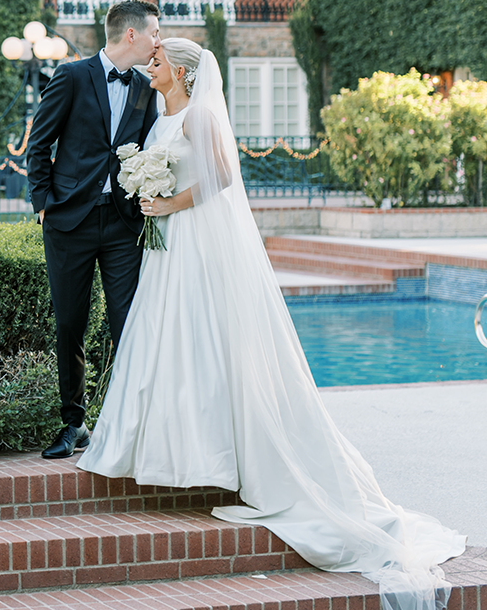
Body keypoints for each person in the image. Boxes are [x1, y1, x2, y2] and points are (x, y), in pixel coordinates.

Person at [78, 38, 465, 610]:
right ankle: (164, 449)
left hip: (194, 244)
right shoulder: (163, 113)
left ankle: (216, 455)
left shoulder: (203, 113)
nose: (148, 67)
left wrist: (166, 204)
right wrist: (146, 191)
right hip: (166, 249)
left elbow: (222, 179)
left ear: (181, 72)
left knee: (204, 342)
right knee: (164, 343)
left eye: (156, 62)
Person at [27, 0, 160, 459]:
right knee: (70, 323)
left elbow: (147, 152)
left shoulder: (146, 88)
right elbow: (39, 143)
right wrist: (43, 204)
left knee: (128, 325)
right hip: (69, 223)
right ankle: (73, 423)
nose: (156, 41)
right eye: (153, 33)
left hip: (124, 225)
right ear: (131, 35)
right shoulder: (70, 75)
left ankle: (122, 425)